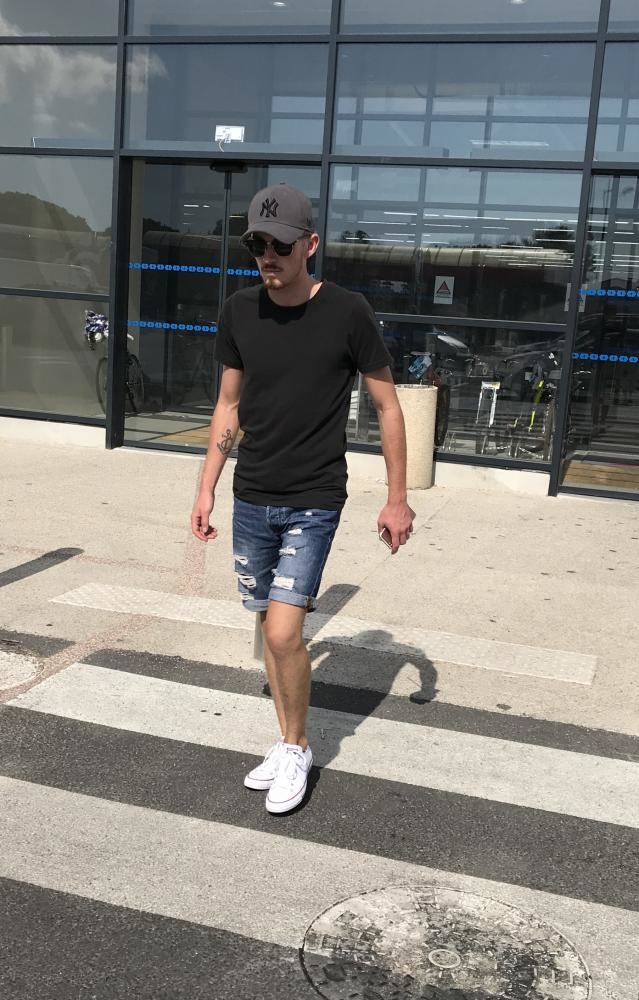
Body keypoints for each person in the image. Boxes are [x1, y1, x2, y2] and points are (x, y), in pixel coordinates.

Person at [191, 182, 414, 814]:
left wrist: (397, 499)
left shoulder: (347, 312)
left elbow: (388, 406)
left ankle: (297, 748)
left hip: (314, 498)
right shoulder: (239, 311)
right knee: (269, 626)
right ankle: (286, 738)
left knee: (286, 631)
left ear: (310, 245)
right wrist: (206, 488)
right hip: (252, 496)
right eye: (257, 245)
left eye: (280, 245)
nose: (268, 255)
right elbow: (229, 405)